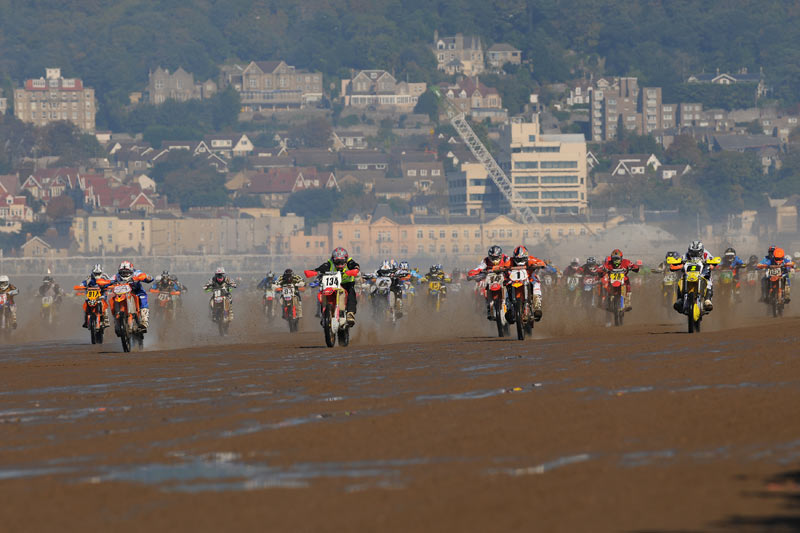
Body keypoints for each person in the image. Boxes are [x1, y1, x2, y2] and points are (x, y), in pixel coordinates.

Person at [310, 247, 361, 326]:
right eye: (337, 262)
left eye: (342, 261)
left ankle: (350, 314)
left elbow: (354, 265)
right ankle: (324, 314)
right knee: (323, 292)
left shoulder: (349, 262)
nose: (340, 264)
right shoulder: (329, 263)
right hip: (332, 284)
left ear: (346, 259)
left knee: (351, 292)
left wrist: (356, 268)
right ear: (333, 260)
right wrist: (315, 271)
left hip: (347, 284)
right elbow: (323, 267)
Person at [503, 245, 545, 321]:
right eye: (517, 259)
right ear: (514, 257)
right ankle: (509, 308)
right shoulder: (510, 260)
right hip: (514, 279)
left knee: (536, 283)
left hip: (529, 277)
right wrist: (499, 268)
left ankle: (537, 307)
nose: (519, 261)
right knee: (507, 285)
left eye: (522, 259)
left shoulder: (531, 259)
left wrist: (539, 264)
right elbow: (503, 266)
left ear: (526, 257)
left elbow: (541, 262)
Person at [673, 240, 716, 311]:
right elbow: (678, 261)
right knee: (681, 280)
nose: (694, 254)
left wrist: (712, 264)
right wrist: (676, 263)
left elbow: (713, 261)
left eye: (697, 252)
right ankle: (680, 299)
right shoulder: (686, 255)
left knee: (709, 281)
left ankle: (707, 300)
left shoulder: (706, 254)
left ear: (701, 251)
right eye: (692, 252)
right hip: (690, 273)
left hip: (703, 272)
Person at [112, 261, 154, 331]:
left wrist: (146, 277)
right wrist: (104, 283)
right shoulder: (117, 276)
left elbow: (149, 278)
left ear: (131, 271)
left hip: (137, 291)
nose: (125, 274)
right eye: (122, 272)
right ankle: (116, 321)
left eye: (127, 272)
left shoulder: (137, 273)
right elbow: (108, 280)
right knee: (112, 299)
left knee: (143, 299)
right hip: (122, 293)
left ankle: (144, 321)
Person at [468, 245, 507, 319]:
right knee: (486, 288)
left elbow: (511, 264)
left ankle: (512, 304)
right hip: (491, 278)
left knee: (510, 285)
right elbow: (479, 267)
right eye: (493, 257)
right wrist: (473, 272)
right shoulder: (486, 260)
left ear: (500, 255)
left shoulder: (505, 258)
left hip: (503, 277)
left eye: (496, 257)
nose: (494, 259)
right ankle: (489, 306)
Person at [78, 264, 111, 328]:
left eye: (98, 273)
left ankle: (106, 319)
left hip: (101, 293)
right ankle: (86, 320)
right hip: (91, 294)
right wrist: (81, 286)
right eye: (95, 273)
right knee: (86, 304)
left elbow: (110, 282)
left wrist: (108, 286)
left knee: (104, 304)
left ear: (101, 272)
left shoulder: (105, 276)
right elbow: (84, 283)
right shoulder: (89, 277)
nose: (97, 275)